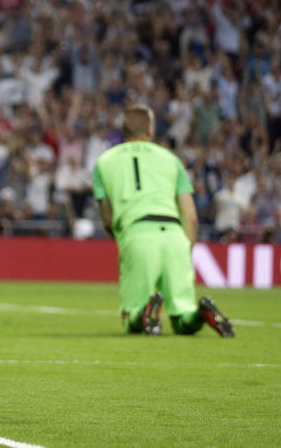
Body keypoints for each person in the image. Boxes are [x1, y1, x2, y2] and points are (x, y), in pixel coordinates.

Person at [92, 104, 234, 338]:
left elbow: (107, 217)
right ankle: (200, 313)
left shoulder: (104, 162)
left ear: (124, 129)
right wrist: (184, 251)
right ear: (149, 129)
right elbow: (191, 216)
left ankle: (145, 311)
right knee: (182, 319)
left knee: (131, 318)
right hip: (174, 233)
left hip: (136, 232)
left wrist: (123, 242)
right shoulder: (171, 159)